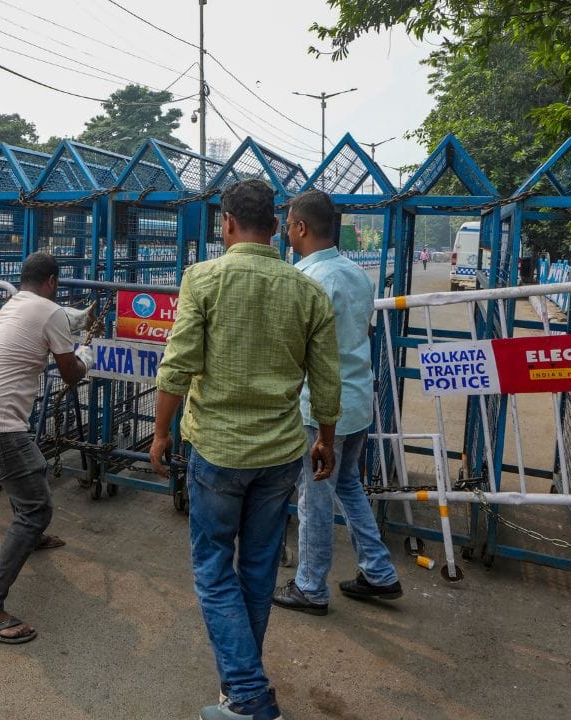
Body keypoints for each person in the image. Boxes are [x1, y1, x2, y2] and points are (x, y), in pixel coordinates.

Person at [150, 179, 341, 720]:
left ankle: (250, 696)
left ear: (226, 223)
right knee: (257, 569)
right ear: (277, 228)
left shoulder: (203, 279)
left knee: (213, 569)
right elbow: (327, 381)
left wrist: (161, 432)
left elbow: (178, 364)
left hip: (218, 451)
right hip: (281, 453)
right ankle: (242, 686)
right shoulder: (307, 291)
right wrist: (325, 439)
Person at [272, 189, 402, 618]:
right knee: (345, 484)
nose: (287, 232)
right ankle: (379, 572)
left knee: (315, 498)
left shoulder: (309, 280)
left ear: (301, 228)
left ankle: (310, 586)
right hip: (358, 401)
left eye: (289, 225)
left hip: (321, 408)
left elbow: (299, 351)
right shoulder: (357, 275)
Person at [0, 251, 95, 645]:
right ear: (52, 281)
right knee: (36, 508)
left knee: (29, 475)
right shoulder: (50, 311)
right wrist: (85, 354)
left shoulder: (15, 304)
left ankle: (30, 540)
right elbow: (70, 373)